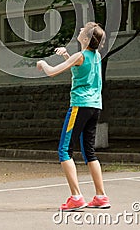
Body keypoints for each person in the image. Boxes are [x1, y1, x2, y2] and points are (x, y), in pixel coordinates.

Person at [37, 22, 111, 211]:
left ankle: (76, 197)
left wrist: (43, 63)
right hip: (95, 107)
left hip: (79, 106)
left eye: (82, 30)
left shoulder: (80, 55)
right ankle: (101, 196)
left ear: (86, 39)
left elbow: (53, 72)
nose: (79, 30)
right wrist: (66, 56)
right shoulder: (96, 56)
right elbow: (81, 71)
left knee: (64, 150)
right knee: (89, 152)